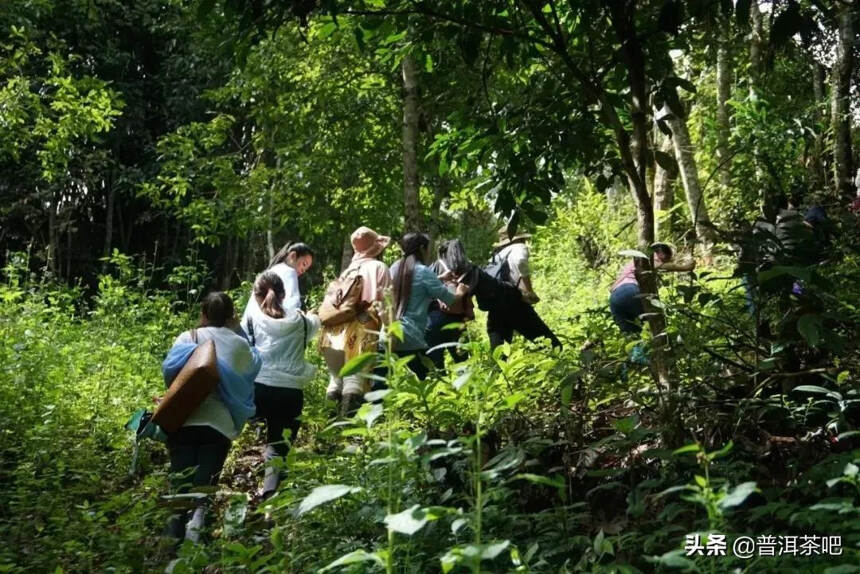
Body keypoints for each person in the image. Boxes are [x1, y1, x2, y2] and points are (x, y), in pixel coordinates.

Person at [161, 292, 260, 543]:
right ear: (231, 316)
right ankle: (197, 544)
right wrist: (238, 329)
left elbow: (171, 377)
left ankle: (171, 543)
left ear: (203, 314)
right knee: (204, 488)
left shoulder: (188, 338)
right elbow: (251, 373)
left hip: (183, 418)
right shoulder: (240, 345)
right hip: (219, 425)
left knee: (179, 486)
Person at [244, 271, 320, 498]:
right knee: (279, 446)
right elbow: (318, 320)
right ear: (284, 294)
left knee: (257, 421)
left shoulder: (250, 320)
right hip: (290, 392)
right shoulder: (302, 321)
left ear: (256, 296)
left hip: (259, 389)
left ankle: (256, 425)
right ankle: (271, 495)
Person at [320, 226, 392, 415]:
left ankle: (327, 426)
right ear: (377, 248)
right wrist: (389, 329)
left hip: (332, 330)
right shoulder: (380, 267)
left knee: (336, 379)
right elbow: (383, 303)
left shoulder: (347, 271)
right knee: (355, 379)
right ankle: (347, 430)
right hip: (362, 327)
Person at [443, 241, 561, 350]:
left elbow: (456, 299)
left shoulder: (470, 272)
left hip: (506, 306)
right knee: (550, 344)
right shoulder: (471, 271)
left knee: (548, 344)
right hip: (508, 305)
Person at [388, 233, 470, 380]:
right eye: (427, 248)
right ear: (421, 248)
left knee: (425, 375)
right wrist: (461, 291)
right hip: (410, 336)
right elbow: (450, 299)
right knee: (433, 376)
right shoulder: (423, 271)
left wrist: (439, 278)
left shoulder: (395, 267)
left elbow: (413, 283)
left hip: (392, 333)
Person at [608, 243, 694, 335]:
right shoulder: (646, 259)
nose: (666, 262)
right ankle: (659, 346)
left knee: (631, 334)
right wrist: (685, 267)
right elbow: (661, 266)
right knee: (652, 324)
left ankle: (638, 348)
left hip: (614, 298)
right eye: (666, 259)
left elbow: (611, 288)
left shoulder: (633, 262)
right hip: (631, 290)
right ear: (660, 254)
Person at [426, 239, 475, 369]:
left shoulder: (435, 266)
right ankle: (467, 388)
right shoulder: (468, 268)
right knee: (463, 363)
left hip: (434, 319)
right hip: (458, 319)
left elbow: (424, 289)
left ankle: (442, 388)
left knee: (437, 364)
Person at [242, 242, 314, 321]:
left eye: (306, 269)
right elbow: (292, 310)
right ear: (293, 256)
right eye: (304, 264)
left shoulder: (274, 269)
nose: (303, 271)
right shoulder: (290, 272)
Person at [491, 227, 540, 303]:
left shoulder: (499, 254)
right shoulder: (519, 247)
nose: (524, 240)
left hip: (499, 300)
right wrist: (530, 291)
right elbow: (520, 261)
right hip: (516, 297)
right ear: (518, 239)